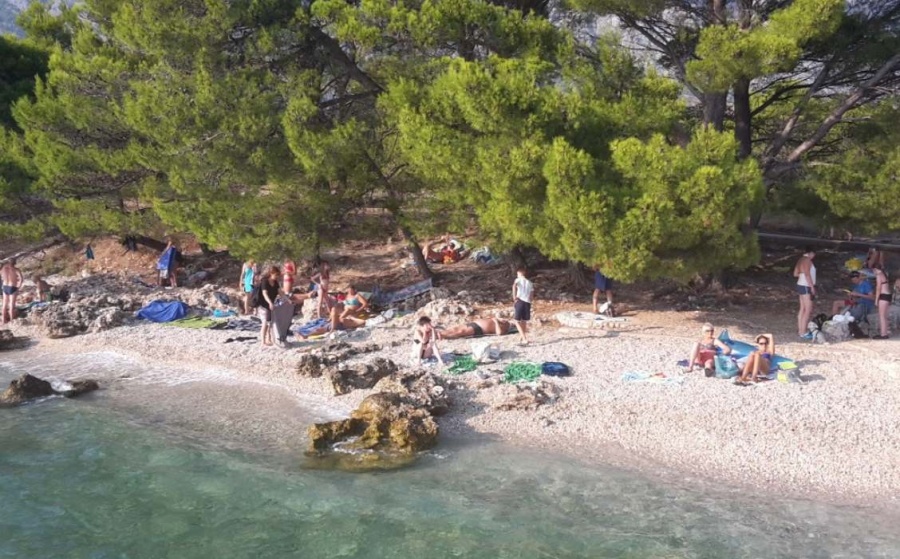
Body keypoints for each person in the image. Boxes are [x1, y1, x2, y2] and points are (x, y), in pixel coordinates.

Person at [298, 302, 366, 339]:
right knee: (322, 328)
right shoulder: (345, 315)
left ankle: (306, 335)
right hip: (335, 323)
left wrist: (352, 317)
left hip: (339, 325)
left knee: (323, 327)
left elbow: (363, 322)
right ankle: (306, 335)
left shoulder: (353, 319)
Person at [793, 247, 817, 339]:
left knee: (802, 308)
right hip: (806, 286)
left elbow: (795, 274)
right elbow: (807, 274)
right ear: (811, 253)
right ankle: (803, 332)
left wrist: (802, 275)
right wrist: (812, 286)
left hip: (800, 284)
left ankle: (800, 330)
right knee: (807, 309)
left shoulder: (800, 260)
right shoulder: (807, 260)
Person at [258, 267, 282, 346]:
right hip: (263, 305)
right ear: (271, 273)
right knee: (265, 322)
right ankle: (263, 341)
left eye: (278, 275)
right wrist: (270, 303)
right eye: (276, 274)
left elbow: (280, 292)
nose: (277, 276)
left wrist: (287, 300)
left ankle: (269, 338)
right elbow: (265, 294)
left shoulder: (275, 282)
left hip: (271, 306)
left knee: (270, 322)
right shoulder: (265, 282)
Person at [437, 317, 517, 339]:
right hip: (475, 323)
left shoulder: (504, 329)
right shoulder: (503, 322)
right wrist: (499, 319)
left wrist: (496, 322)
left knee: (461, 332)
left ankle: (442, 335)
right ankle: (440, 333)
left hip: (479, 328)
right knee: (455, 329)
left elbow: (499, 334)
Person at [512, 267, 533, 345]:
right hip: (527, 302)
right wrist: (530, 300)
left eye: (517, 273)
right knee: (524, 320)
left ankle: (524, 339)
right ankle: (522, 337)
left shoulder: (518, 280)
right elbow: (531, 294)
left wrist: (514, 298)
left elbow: (514, 286)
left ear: (519, 273)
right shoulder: (530, 282)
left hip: (520, 300)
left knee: (516, 321)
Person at [1, 259, 24, 324]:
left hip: (5, 287)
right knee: (11, 305)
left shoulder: (3, 269)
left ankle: (3, 320)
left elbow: (1, 277)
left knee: (4, 305)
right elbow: (21, 279)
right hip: (12, 287)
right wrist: (18, 287)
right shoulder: (16, 269)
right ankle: (12, 321)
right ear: (14, 263)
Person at [873, 267, 891, 339]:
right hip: (888, 295)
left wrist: (876, 299)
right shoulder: (884, 274)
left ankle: (883, 334)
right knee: (885, 316)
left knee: (882, 316)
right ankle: (885, 332)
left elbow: (878, 288)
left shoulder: (879, 275)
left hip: (883, 296)